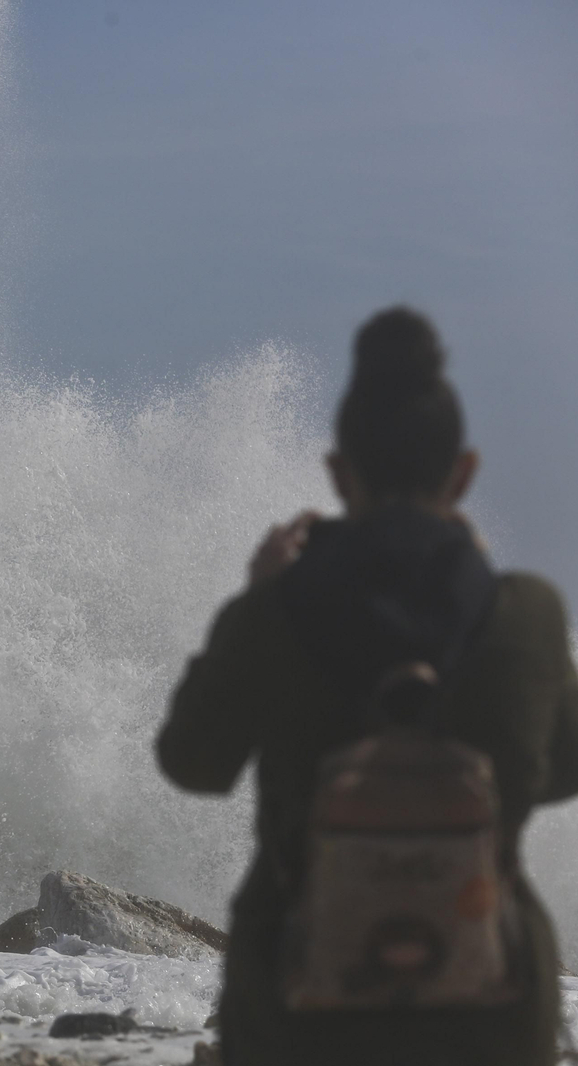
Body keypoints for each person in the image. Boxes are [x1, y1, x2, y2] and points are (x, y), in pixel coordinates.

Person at [157, 307, 578, 1065]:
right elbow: (566, 770)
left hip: (297, 1012)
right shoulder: (528, 613)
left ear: (339, 475)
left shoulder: (276, 613)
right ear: (464, 474)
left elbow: (193, 763)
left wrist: (255, 598)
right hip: (495, 1017)